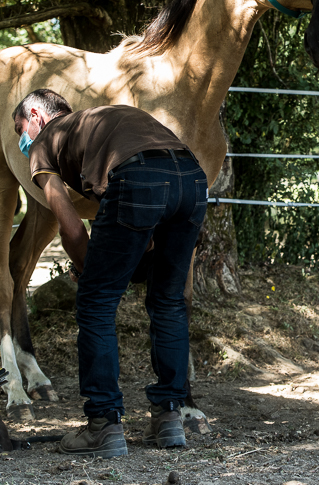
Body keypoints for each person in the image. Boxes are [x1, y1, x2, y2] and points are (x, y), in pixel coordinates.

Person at [13, 89, 208, 458]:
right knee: (168, 301)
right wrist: (103, 263)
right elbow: (141, 240)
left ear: (36, 116)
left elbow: (70, 228)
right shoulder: (101, 123)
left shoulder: (43, 143)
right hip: (191, 179)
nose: (22, 139)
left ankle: (103, 424)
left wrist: (87, 268)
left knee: (95, 303)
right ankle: (169, 417)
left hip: (138, 177)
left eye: (20, 128)